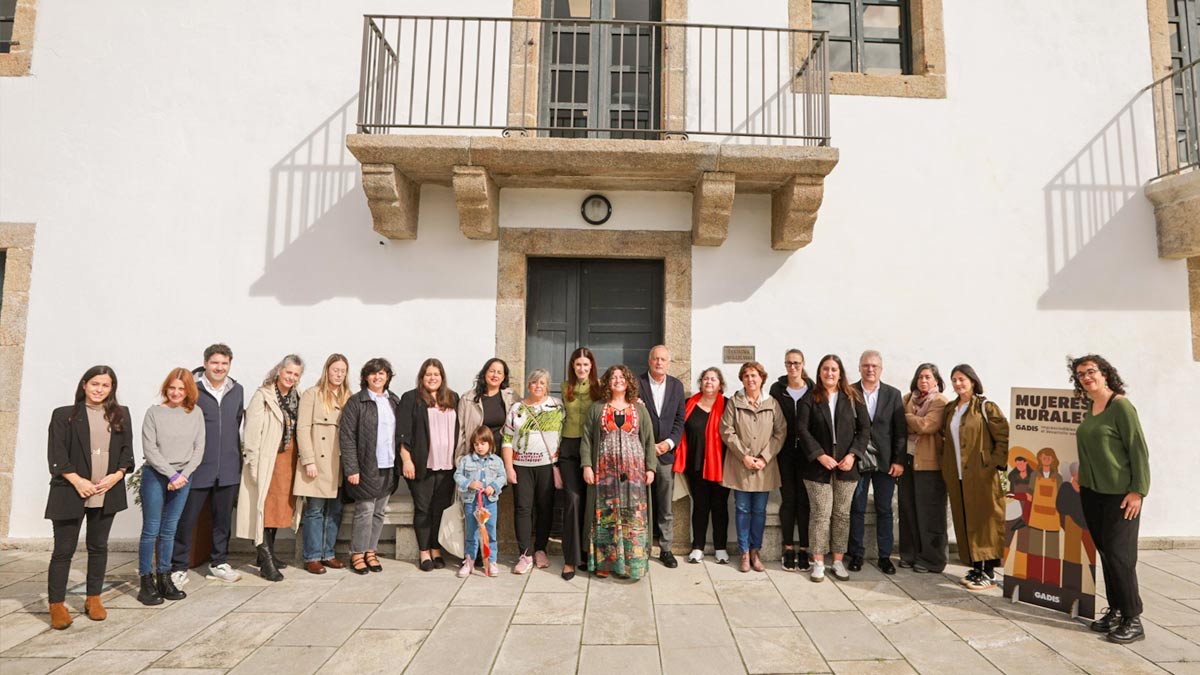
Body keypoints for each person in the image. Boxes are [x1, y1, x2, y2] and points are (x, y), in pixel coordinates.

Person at [44, 366, 135, 630]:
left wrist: (116, 476)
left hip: (106, 491)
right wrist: (77, 481)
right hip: (70, 491)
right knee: (63, 551)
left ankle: (93, 599)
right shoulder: (64, 415)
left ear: (111, 389)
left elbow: (127, 452)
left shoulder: (121, 414)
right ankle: (57, 605)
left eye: (105, 385)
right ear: (84, 385)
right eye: (95, 383)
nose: (99, 389)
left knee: (99, 547)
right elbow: (56, 454)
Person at [1071, 354, 1150, 644]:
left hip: (1120, 494)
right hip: (1093, 492)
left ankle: (1133, 618)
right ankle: (1116, 610)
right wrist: (1081, 474)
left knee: (1120, 556)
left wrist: (1137, 491)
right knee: (1106, 553)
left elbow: (1138, 450)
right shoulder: (1091, 407)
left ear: (1105, 373)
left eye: (1091, 371)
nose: (1086, 377)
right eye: (1080, 374)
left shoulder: (1121, 406)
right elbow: (1095, 446)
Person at [171, 344, 244, 587]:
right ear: (205, 363)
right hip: (197, 467)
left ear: (230, 365)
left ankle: (219, 563)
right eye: (215, 363)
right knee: (187, 519)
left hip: (228, 467)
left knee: (223, 520)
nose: (219, 368)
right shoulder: (192, 389)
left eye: (224, 363)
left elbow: (235, 424)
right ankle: (178, 567)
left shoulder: (237, 390)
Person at [798, 354, 870, 582]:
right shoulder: (810, 398)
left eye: (834, 369)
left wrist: (852, 455)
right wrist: (819, 455)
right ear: (819, 372)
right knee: (820, 514)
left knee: (841, 515)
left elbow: (865, 429)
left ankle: (837, 560)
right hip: (817, 468)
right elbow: (802, 430)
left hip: (846, 466)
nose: (830, 373)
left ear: (840, 373)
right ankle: (818, 562)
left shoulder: (852, 397)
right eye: (826, 369)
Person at [137, 368, 205, 606]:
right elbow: (150, 449)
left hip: (183, 478)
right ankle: (146, 580)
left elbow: (199, 449)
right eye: (172, 388)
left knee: (170, 529)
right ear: (166, 388)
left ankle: (165, 577)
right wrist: (171, 474)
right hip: (156, 475)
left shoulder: (195, 413)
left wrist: (182, 475)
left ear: (188, 391)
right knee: (151, 530)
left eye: (181, 388)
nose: (176, 392)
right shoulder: (154, 413)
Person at [581, 365, 656, 580]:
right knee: (605, 519)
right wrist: (587, 465)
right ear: (607, 383)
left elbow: (650, 441)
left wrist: (650, 468)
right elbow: (587, 439)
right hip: (604, 473)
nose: (618, 380)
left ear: (629, 381)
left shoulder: (639, 409)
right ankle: (605, 564)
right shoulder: (597, 408)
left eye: (622, 376)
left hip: (634, 476)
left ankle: (631, 565)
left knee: (632, 518)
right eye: (613, 377)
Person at [237, 354, 305, 582]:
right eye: (288, 372)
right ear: (279, 371)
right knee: (263, 509)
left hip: (287, 461)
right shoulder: (263, 396)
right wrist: (253, 463)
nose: (291, 377)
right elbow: (251, 433)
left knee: (277, 510)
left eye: (296, 374)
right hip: (268, 461)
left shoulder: (297, 397)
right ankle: (264, 560)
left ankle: (269, 553)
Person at [942, 363, 1009, 591]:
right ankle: (976, 568)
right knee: (965, 519)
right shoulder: (951, 408)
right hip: (958, 474)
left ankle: (988, 571)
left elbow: (1004, 438)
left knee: (985, 520)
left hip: (983, 475)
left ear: (972, 380)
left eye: (962, 379)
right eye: (954, 380)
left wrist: (991, 464)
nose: (958, 383)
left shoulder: (985, 407)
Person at [720, 361, 786, 574]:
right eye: (746, 375)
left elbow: (780, 432)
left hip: (764, 468)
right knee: (742, 509)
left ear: (762, 378)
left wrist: (765, 457)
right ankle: (744, 553)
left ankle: (756, 551)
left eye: (754, 375)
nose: (750, 379)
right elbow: (726, 430)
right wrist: (744, 456)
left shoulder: (772, 403)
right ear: (742, 379)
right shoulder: (734, 402)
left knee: (759, 511)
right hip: (741, 466)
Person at [848, 350, 907, 575]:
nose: (870, 369)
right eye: (865, 365)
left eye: (874, 366)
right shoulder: (850, 391)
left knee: (885, 509)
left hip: (885, 462)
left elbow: (900, 431)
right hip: (858, 459)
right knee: (857, 508)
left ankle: (884, 556)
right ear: (860, 367)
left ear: (881, 369)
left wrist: (899, 461)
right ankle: (856, 554)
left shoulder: (893, 394)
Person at [340, 358, 401, 575]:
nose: (378, 377)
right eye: (373, 373)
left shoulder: (393, 400)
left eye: (382, 373)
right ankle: (357, 553)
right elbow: (347, 437)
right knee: (364, 510)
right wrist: (352, 469)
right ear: (366, 377)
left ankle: (370, 551)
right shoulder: (357, 402)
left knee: (379, 512)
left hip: (389, 464)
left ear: (387, 377)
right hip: (365, 465)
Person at [399, 358, 460, 572]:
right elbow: (403, 433)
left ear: (442, 377)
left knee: (440, 510)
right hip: (422, 465)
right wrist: (406, 459)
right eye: (428, 374)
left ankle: (436, 549)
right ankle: (424, 551)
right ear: (422, 377)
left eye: (436, 374)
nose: (432, 378)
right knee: (423, 509)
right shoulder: (411, 398)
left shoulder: (453, 398)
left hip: (447, 466)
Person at [501, 369, 564, 575]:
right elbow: (507, 440)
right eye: (535, 383)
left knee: (545, 508)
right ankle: (524, 554)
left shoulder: (557, 406)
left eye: (542, 383)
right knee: (523, 508)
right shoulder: (517, 408)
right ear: (529, 386)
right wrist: (509, 467)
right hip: (522, 466)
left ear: (547, 386)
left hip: (547, 465)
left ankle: (540, 549)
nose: (538, 386)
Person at [295, 354, 351, 575]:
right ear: (327, 370)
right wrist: (308, 460)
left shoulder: (348, 396)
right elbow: (302, 428)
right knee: (315, 510)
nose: (338, 374)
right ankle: (312, 556)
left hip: (338, 463)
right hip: (317, 462)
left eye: (343, 371)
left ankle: (328, 553)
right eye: (335, 369)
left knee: (335, 510)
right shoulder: (313, 394)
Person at [674, 367, 731, 564]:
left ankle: (721, 548)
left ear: (720, 384)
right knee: (700, 506)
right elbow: (678, 428)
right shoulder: (689, 403)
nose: (709, 382)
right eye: (706, 379)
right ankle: (697, 547)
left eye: (713, 379)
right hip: (695, 465)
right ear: (701, 382)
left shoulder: (728, 405)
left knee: (720, 507)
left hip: (722, 466)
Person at [638, 345, 687, 569]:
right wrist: (648, 445)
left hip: (666, 455)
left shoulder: (676, 386)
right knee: (642, 503)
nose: (659, 363)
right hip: (641, 454)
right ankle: (643, 546)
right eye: (656, 359)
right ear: (649, 361)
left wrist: (668, 444)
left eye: (663, 359)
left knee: (665, 505)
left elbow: (679, 420)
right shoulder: (637, 384)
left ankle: (666, 548)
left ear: (669, 363)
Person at [898, 363, 949, 573]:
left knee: (930, 513)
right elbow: (906, 425)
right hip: (908, 461)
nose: (924, 381)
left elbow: (928, 426)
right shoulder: (908, 398)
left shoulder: (940, 401)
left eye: (928, 377)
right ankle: (909, 554)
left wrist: (904, 417)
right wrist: (913, 420)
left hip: (930, 465)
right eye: (920, 377)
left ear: (936, 380)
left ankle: (932, 559)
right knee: (908, 509)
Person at [768, 348, 814, 571]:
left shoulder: (813, 390)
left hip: (808, 455)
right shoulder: (777, 389)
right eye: (789, 363)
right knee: (788, 500)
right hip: (784, 453)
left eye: (796, 363)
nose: (793, 367)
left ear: (803, 364)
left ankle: (804, 548)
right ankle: (788, 547)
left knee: (804, 502)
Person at [559, 347, 600, 580]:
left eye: (586, 365)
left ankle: (588, 554)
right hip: (569, 448)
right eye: (578, 365)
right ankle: (570, 559)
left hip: (593, 450)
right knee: (573, 499)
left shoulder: (600, 387)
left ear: (592, 366)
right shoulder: (566, 388)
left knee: (591, 502)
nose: (582, 369)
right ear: (572, 367)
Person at [455, 425, 508, 577]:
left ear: (490, 444)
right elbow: (457, 476)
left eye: (483, 443)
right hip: (471, 502)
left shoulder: (496, 460)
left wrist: (494, 486)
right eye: (476, 444)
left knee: (490, 532)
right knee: (471, 532)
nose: (479, 447)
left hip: (489, 502)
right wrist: (469, 483)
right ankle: (470, 560)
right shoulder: (466, 460)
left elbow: (502, 477)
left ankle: (491, 561)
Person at [456, 358, 518, 458]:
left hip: (501, 457)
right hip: (475, 458)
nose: (495, 375)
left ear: (503, 377)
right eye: (492, 371)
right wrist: (460, 458)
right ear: (485, 373)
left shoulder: (511, 397)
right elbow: (460, 432)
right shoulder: (468, 398)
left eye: (499, 372)